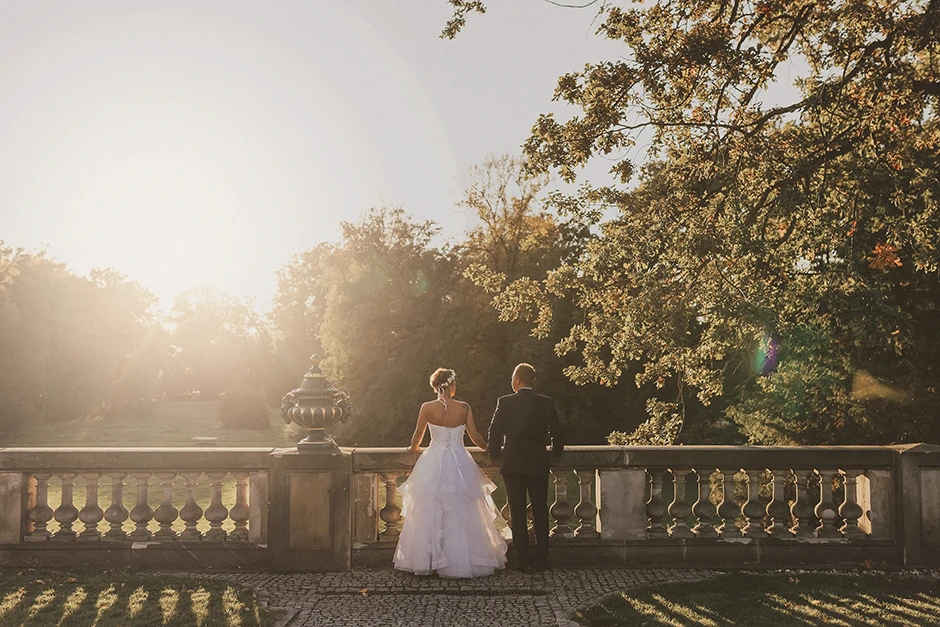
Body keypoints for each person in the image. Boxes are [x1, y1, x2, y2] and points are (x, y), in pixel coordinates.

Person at [393, 368, 508, 578]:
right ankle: (460, 560)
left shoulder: (427, 407)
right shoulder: (464, 407)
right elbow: (475, 436)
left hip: (433, 461)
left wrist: (412, 450)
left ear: (435, 387)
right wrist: (491, 449)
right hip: (459, 461)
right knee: (462, 509)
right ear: (452, 386)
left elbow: (417, 438)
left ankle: (428, 559)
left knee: (430, 508)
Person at [487, 363, 563, 571]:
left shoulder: (505, 402)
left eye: (512, 379)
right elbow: (557, 432)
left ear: (518, 381)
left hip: (513, 463)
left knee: (518, 511)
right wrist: (556, 451)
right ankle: (542, 557)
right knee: (540, 509)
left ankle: (523, 558)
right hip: (538, 462)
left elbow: (494, 432)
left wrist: (495, 454)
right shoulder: (546, 403)